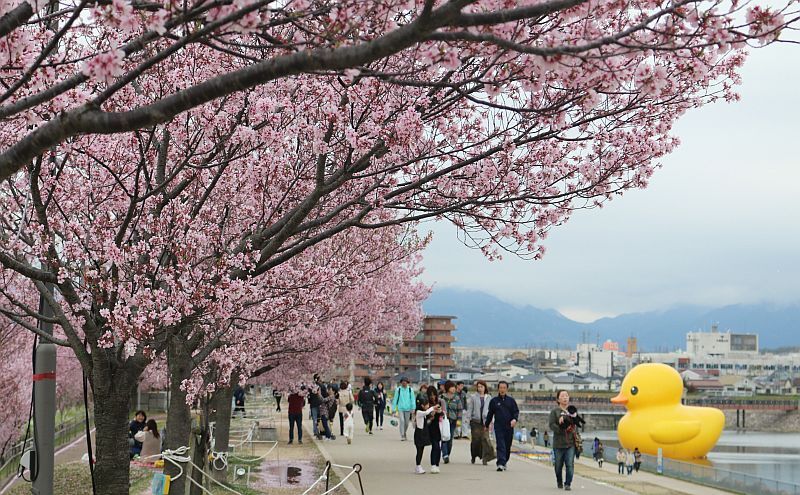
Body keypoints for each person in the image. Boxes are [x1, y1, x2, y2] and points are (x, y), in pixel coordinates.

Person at [484, 380, 519, 472]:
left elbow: (516, 412)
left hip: (509, 427)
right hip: (499, 426)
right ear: (498, 389)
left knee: (507, 446)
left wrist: (514, 419)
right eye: (500, 388)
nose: (502, 390)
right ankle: (500, 463)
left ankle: (504, 461)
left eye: (504, 388)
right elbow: (490, 414)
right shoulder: (494, 401)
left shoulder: (511, 401)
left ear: (507, 389)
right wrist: (486, 424)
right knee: (500, 445)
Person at [549, 389, 576, 490]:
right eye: (563, 396)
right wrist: (561, 428)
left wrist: (572, 428)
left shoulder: (572, 411)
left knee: (569, 464)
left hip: (570, 443)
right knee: (558, 466)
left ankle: (568, 483)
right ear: (558, 399)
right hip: (558, 444)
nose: (565, 397)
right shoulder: (554, 412)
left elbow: (577, 424)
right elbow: (551, 425)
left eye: (567, 396)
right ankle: (559, 481)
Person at [465, 380, 495, 465]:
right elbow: (470, 408)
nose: (480, 388)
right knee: (476, 440)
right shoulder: (473, 397)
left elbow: (491, 410)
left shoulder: (488, 397)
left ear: (485, 387)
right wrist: (468, 418)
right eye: (478, 387)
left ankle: (485, 458)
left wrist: (491, 421)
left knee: (485, 440)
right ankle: (474, 456)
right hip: (475, 421)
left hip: (485, 421)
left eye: (482, 386)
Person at [413, 392, 443, 474]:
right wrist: (433, 407)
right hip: (419, 434)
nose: (427, 406)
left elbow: (427, 420)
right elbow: (426, 413)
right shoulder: (419, 412)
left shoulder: (422, 412)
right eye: (426, 405)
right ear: (422, 405)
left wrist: (433, 414)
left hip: (422, 433)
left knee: (421, 450)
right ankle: (418, 466)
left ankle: (418, 466)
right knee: (419, 451)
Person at [441, 381, 462, 464]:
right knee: (444, 437)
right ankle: (445, 454)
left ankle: (447, 453)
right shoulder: (442, 397)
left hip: (453, 420)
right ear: (447, 388)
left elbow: (459, 410)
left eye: (454, 387)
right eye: (452, 387)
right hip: (443, 420)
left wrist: (459, 420)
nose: (454, 389)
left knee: (450, 438)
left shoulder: (457, 398)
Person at [392, 377, 416, 441]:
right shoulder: (398, 390)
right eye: (403, 381)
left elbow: (413, 400)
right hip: (400, 408)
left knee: (407, 423)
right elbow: (395, 399)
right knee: (402, 421)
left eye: (405, 381)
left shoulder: (410, 390)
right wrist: (393, 409)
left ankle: (404, 432)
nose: (404, 382)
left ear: (407, 382)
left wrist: (413, 408)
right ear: (401, 382)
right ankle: (402, 435)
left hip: (408, 408)